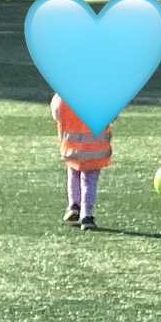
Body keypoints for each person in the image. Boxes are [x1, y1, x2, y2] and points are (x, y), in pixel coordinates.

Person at [51, 94, 111, 229]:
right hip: (96, 146)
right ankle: (86, 215)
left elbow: (56, 112)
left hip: (72, 143)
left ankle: (74, 205)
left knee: (73, 171)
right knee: (89, 180)